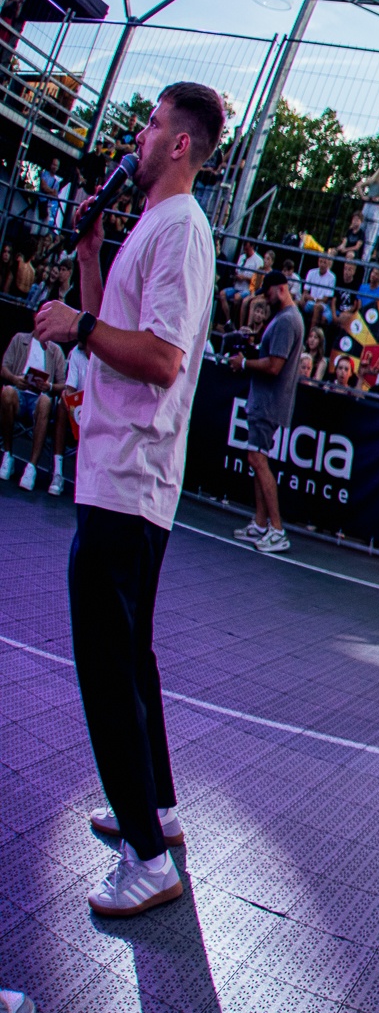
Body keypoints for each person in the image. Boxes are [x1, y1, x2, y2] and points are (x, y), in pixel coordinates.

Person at [32, 82, 224, 918]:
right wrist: (90, 256)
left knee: (107, 667)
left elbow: (160, 357)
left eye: (150, 125)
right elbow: (117, 327)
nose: (137, 136)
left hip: (129, 475)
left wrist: (76, 326)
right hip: (122, 473)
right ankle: (159, 812)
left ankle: (146, 859)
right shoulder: (156, 225)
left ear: (179, 143)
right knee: (131, 654)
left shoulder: (180, 228)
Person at [228, 269, 304, 554]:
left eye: (268, 293)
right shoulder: (286, 318)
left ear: (281, 288)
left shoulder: (286, 321)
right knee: (257, 458)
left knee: (257, 459)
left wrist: (244, 363)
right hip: (266, 400)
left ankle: (277, 529)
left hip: (268, 402)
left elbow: (274, 366)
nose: (266, 299)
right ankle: (261, 524)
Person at [0, 323, 66, 493]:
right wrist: (15, 379)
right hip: (20, 394)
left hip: (39, 400)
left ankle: (32, 466)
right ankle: (8, 455)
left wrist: (49, 386)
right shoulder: (20, 339)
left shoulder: (56, 351)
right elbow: (4, 368)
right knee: (7, 392)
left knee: (45, 401)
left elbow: (64, 385)